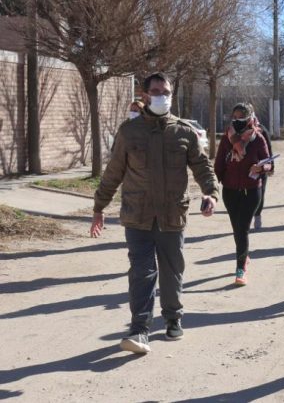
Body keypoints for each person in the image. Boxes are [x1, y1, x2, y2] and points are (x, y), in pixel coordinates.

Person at [90, 72, 219, 354]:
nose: (162, 96)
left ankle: (173, 318)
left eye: (167, 91)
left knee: (173, 271)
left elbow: (202, 167)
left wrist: (211, 192)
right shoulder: (129, 132)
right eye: (157, 91)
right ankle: (140, 328)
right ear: (145, 95)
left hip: (173, 214)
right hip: (138, 216)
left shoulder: (184, 132)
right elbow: (113, 173)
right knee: (142, 272)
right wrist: (99, 207)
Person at [214, 103, 272, 286]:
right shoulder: (227, 138)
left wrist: (261, 167)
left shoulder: (258, 138)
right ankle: (244, 255)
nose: (237, 121)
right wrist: (219, 181)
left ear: (249, 118)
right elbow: (218, 163)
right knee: (236, 229)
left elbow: (270, 164)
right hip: (230, 191)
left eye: (241, 118)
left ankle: (240, 269)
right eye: (235, 117)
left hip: (252, 190)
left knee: (242, 229)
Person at [252, 118, 274, 230]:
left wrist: (271, 167)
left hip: (261, 167)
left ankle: (257, 215)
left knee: (260, 192)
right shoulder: (236, 131)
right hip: (246, 169)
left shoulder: (262, 130)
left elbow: (269, 149)